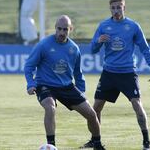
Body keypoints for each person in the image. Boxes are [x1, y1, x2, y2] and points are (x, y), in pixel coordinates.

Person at [81, 0, 150, 150]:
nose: (116, 10)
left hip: (127, 73)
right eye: (113, 8)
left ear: (124, 8)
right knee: (95, 108)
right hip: (109, 73)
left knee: (137, 105)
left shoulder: (133, 26)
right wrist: (98, 42)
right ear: (110, 9)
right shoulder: (104, 26)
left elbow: (145, 49)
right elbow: (92, 50)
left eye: (119, 7)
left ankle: (146, 141)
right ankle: (95, 140)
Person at [24, 15, 105, 150]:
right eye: (59, 29)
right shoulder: (43, 45)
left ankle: (97, 144)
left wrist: (80, 91)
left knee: (91, 114)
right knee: (50, 108)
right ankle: (52, 145)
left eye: (65, 29)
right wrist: (30, 84)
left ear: (70, 29)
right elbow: (29, 66)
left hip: (67, 86)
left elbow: (78, 73)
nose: (62, 32)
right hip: (45, 85)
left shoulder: (74, 49)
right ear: (55, 28)